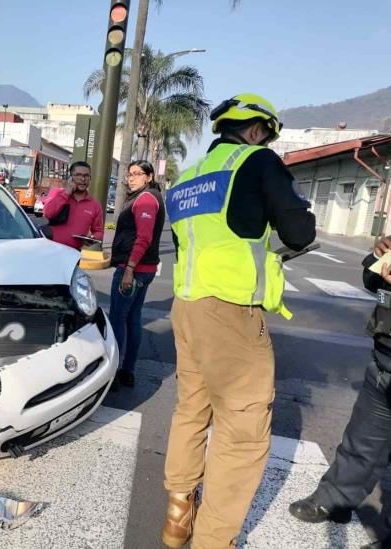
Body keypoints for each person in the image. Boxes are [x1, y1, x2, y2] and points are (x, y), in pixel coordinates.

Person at [160, 93, 316, 549]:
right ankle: (213, 540)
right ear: (255, 130)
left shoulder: (188, 178)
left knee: (192, 409)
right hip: (230, 312)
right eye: (266, 135)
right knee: (242, 431)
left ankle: (176, 514)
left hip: (186, 308)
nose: (266, 142)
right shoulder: (258, 162)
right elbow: (300, 233)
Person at [288, 235, 391, 549]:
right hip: (385, 354)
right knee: (363, 439)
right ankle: (336, 498)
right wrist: (379, 256)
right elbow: (373, 283)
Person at [108, 160, 164, 389]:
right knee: (132, 319)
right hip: (144, 270)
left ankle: (113, 373)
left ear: (149, 177)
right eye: (129, 174)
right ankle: (127, 371)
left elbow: (144, 238)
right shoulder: (146, 197)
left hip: (134, 271)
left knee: (118, 319)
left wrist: (129, 269)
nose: (131, 178)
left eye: (137, 174)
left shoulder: (146, 200)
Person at [42, 161, 104, 250]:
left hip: (74, 254)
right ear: (70, 178)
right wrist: (66, 193)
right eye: (78, 175)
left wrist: (93, 238)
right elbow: (48, 213)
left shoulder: (95, 205)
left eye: (86, 176)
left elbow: (99, 231)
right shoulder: (58, 194)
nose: (83, 179)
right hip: (50, 249)